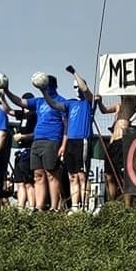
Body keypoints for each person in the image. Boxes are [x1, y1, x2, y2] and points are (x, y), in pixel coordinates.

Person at [3, 76, 67, 211]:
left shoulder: (61, 102)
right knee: (38, 174)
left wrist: (63, 144)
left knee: (51, 174)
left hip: (52, 139)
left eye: (47, 85)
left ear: (53, 86)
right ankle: (39, 206)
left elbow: (66, 124)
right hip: (37, 141)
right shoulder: (39, 102)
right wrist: (6, 90)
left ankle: (55, 207)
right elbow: (20, 101)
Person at [51, 66, 96, 213]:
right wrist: (43, 92)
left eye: (78, 86)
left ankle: (85, 205)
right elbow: (54, 104)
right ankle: (75, 205)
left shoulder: (89, 102)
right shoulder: (70, 103)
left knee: (82, 175)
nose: (77, 89)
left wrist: (74, 73)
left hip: (82, 140)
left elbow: (85, 89)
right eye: (74, 87)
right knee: (72, 176)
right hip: (70, 141)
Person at [95, 93, 136, 203]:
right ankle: (111, 203)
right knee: (108, 175)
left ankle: (128, 206)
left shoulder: (131, 103)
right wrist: (99, 102)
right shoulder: (118, 105)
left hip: (123, 141)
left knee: (125, 175)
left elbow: (128, 92)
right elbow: (104, 110)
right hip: (112, 143)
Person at [7, 92, 37, 210]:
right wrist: (3, 97)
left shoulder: (34, 115)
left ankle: (32, 206)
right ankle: (20, 207)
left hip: (28, 150)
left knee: (28, 182)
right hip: (20, 152)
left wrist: (22, 137)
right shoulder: (22, 115)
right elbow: (9, 111)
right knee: (19, 182)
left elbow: (36, 134)